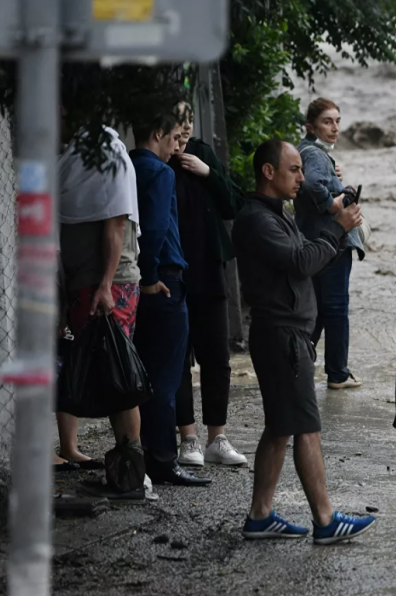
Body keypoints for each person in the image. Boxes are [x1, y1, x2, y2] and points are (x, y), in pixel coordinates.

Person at [233, 139, 375, 543]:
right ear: (268, 172)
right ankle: (326, 521)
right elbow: (300, 263)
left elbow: (305, 257)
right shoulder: (258, 220)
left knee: (280, 428)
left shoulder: (277, 214)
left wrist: (332, 232)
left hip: (286, 333)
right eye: (295, 169)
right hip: (282, 334)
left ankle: (260, 516)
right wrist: (336, 228)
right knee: (306, 428)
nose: (303, 177)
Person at [55, 122, 144, 493]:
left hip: (107, 285)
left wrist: (106, 285)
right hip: (86, 284)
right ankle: (126, 471)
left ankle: (133, 472)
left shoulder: (109, 156)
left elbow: (115, 222)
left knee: (119, 373)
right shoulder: (76, 159)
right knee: (110, 375)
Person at [130, 107, 211, 487]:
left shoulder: (126, 165)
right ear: (158, 132)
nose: (176, 147)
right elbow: (158, 226)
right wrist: (150, 276)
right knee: (166, 378)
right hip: (163, 280)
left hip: (137, 282)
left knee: (143, 372)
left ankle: (143, 453)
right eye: (175, 137)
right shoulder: (160, 172)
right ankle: (162, 460)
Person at [169, 102, 248, 468]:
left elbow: (234, 203)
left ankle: (218, 437)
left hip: (210, 268)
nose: (185, 129)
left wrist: (207, 172)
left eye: (188, 121)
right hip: (174, 273)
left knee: (217, 356)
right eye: (178, 122)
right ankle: (188, 439)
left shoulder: (201, 153)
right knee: (178, 357)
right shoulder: (157, 161)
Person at [294, 98, 365, 390]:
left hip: (316, 240)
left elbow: (311, 181)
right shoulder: (314, 154)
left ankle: (299, 362)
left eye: (337, 121)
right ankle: (336, 373)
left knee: (320, 308)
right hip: (331, 241)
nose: (335, 127)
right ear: (311, 126)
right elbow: (311, 184)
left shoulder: (307, 151)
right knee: (335, 307)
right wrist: (333, 204)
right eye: (327, 121)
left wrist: (336, 185)